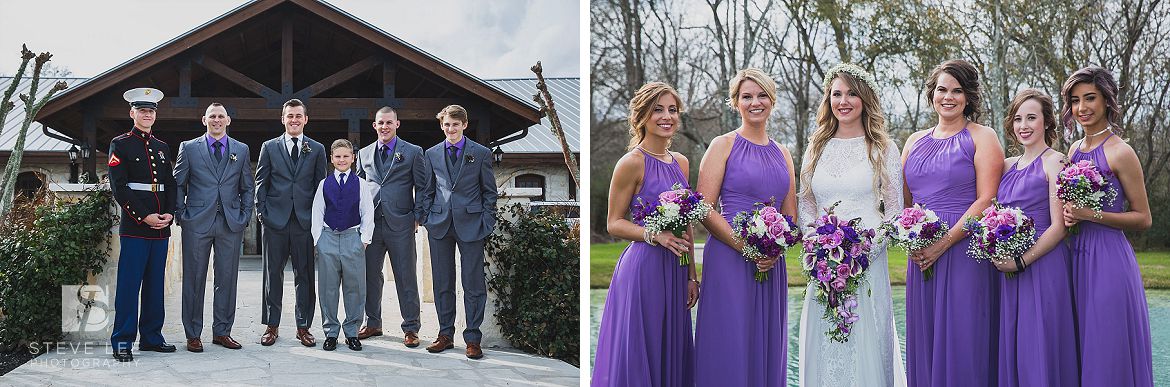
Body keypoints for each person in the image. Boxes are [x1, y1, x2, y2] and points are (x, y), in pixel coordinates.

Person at [795, 64, 906, 386]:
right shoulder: (817, 145)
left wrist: (861, 253)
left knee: (864, 339)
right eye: (836, 94)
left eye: (851, 94)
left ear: (864, 98)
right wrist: (817, 246)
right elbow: (806, 202)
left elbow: (894, 211)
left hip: (867, 262)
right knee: (827, 338)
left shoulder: (883, 148)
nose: (843, 101)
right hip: (823, 265)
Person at [901, 59, 1004, 387]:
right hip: (920, 254)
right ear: (932, 94)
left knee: (964, 337)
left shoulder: (982, 137)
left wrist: (942, 243)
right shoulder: (914, 141)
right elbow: (904, 202)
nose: (949, 97)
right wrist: (914, 239)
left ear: (969, 97)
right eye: (942, 89)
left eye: (957, 91)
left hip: (963, 252)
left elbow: (987, 199)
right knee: (926, 335)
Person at [591, 82, 699, 386]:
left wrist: (691, 275)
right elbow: (614, 223)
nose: (667, 116)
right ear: (642, 116)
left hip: (676, 270)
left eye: (673, 110)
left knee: (671, 350)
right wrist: (656, 235)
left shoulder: (681, 162)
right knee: (643, 349)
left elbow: (687, 221)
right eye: (658, 110)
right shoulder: (631, 163)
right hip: (644, 269)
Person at [694, 68, 796, 386]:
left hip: (770, 263)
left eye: (762, 95)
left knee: (767, 342)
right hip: (729, 257)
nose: (755, 102)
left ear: (772, 100)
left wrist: (775, 248)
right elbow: (702, 208)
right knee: (729, 341)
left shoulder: (784, 153)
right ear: (735, 102)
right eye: (746, 96)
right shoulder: (722, 145)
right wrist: (746, 247)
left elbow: (790, 216)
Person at [1060, 66, 1153, 387]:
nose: (1082, 108)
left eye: (1090, 98)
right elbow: (1072, 205)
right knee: (1081, 346)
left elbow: (1143, 217)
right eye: (1075, 100)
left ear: (1107, 101)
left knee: (1106, 347)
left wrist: (1090, 215)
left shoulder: (1121, 152)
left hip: (1109, 261)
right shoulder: (1073, 151)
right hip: (1076, 257)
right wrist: (1071, 215)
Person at [993, 88, 1078, 386]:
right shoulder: (1005, 166)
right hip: (1009, 271)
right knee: (1016, 344)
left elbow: (1059, 226)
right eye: (1018, 119)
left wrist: (1021, 261)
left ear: (1046, 122)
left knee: (1041, 343)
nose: (1024, 125)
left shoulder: (1055, 161)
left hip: (1043, 266)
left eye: (1031, 117)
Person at [173, 103, 254, 352]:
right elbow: (178, 183)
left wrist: (244, 216)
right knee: (194, 279)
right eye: (212, 117)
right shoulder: (188, 148)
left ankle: (222, 332)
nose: (216, 120)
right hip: (196, 222)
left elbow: (247, 186)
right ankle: (193, 334)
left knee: (227, 279)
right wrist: (182, 214)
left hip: (230, 223)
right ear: (204, 120)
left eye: (221, 116)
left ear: (228, 120)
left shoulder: (241, 149)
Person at [420, 104, 498, 359]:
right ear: (441, 126)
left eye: (455, 124)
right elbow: (427, 190)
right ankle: (445, 334)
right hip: (440, 224)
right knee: (443, 282)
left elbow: (489, 191)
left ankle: (473, 338)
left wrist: (487, 221)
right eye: (446, 125)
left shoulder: (481, 153)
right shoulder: (431, 154)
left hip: (472, 224)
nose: (450, 129)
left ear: (464, 125)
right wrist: (427, 218)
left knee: (473, 283)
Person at [108, 87, 179, 362]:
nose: (147, 114)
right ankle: (123, 341)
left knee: (154, 285)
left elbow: (169, 184)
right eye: (142, 110)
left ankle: (151, 337)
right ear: (132, 113)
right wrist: (144, 216)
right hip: (136, 227)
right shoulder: (121, 143)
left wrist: (169, 213)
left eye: (151, 111)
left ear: (155, 115)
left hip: (161, 227)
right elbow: (120, 187)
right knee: (129, 285)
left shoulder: (162, 148)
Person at [255, 98, 328, 347]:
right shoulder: (269, 146)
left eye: (298, 116)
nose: (294, 120)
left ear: (305, 119)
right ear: (283, 119)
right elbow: (261, 181)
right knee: (272, 274)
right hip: (274, 220)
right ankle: (271, 326)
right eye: (290, 116)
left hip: (304, 221)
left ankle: (303, 326)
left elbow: (321, 186)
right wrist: (261, 212)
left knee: (304, 275)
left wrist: (318, 220)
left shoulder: (317, 149)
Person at [355, 107, 428, 348]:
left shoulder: (413, 152)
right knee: (370, 276)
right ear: (374, 126)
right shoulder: (364, 153)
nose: (384, 126)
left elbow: (423, 186)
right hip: (372, 224)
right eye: (380, 123)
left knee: (405, 276)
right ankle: (373, 322)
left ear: (397, 124)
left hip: (401, 223)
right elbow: (357, 187)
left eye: (389, 122)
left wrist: (418, 216)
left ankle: (411, 327)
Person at [311, 139, 375, 352]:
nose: (342, 160)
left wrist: (364, 240)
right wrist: (318, 240)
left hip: (352, 238)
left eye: (346, 156)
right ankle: (330, 332)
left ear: (353, 158)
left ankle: (352, 332)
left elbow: (368, 213)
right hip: (328, 238)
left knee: (354, 288)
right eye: (337, 156)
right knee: (328, 288)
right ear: (331, 159)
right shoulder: (324, 184)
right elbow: (317, 212)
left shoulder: (361, 184)